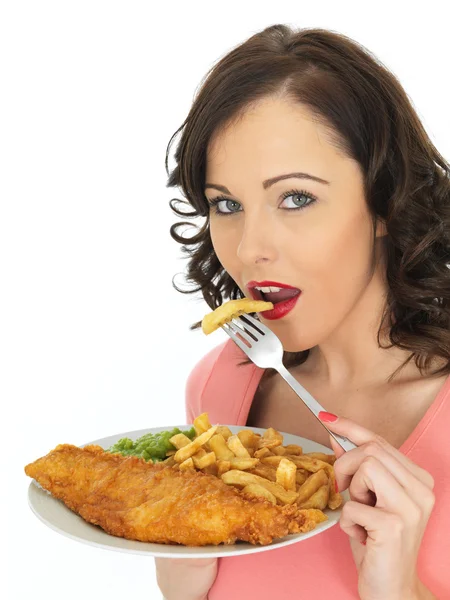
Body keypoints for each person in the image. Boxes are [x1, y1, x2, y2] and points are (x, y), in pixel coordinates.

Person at [156, 24, 450, 600]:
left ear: (385, 199)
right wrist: (178, 574)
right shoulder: (221, 388)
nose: (248, 249)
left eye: (296, 198)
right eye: (227, 204)